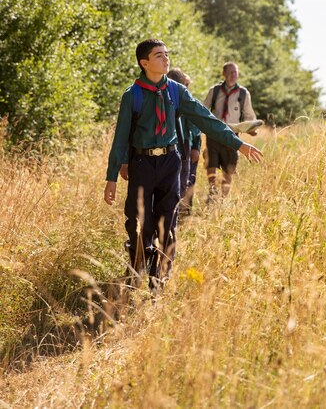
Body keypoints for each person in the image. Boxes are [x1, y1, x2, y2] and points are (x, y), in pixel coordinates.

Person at [104, 40, 262, 292]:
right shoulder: (132, 95)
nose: (166, 59)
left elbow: (206, 119)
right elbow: (121, 136)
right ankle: (137, 268)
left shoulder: (177, 91)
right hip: (142, 163)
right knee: (138, 222)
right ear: (144, 63)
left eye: (166, 54)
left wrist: (238, 144)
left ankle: (159, 281)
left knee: (168, 222)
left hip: (170, 162)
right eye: (159, 56)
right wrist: (111, 177)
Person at [203, 62, 257, 198]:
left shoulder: (243, 93)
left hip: (232, 135)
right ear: (224, 74)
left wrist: (252, 128)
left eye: (235, 72)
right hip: (214, 134)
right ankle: (212, 193)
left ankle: (223, 198)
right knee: (211, 164)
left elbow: (249, 114)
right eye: (230, 72)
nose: (233, 75)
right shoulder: (214, 91)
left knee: (229, 168)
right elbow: (203, 110)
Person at [167, 68, 201, 216]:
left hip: (185, 144)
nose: (185, 88)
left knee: (186, 179)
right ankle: (170, 215)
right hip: (168, 146)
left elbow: (196, 128)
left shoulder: (189, 102)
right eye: (183, 84)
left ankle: (182, 212)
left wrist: (196, 147)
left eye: (187, 85)